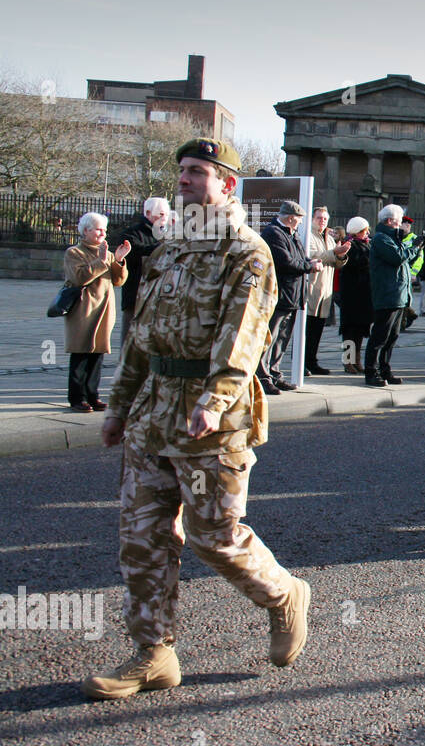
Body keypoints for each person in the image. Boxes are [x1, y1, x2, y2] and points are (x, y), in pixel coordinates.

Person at [85, 137, 309, 700]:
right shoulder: (170, 246)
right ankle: (154, 652)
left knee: (214, 536)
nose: (183, 180)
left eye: (197, 172)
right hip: (152, 413)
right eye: (181, 170)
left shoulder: (247, 252)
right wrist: (119, 406)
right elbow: (141, 336)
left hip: (213, 420)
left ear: (226, 184)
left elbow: (243, 339)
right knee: (142, 536)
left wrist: (212, 402)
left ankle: (283, 595)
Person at [64, 212, 129, 411]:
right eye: (98, 229)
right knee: (81, 354)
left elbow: (119, 281)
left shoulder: (107, 253)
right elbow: (79, 278)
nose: (103, 233)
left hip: (104, 311)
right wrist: (101, 262)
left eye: (105, 230)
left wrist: (118, 260)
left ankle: (93, 395)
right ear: (86, 231)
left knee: (97, 355)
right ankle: (77, 398)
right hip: (83, 311)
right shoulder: (74, 253)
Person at [257, 201, 319, 394]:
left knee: (282, 338)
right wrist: (310, 266)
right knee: (270, 338)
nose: (300, 223)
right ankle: (262, 377)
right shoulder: (273, 233)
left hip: (292, 295)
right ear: (291, 218)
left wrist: (311, 262)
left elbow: (301, 257)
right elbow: (286, 262)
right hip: (280, 294)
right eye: (299, 219)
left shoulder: (292, 234)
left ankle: (274, 374)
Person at [364, 204, 421, 386]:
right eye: (398, 222)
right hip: (388, 294)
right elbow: (397, 257)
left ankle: (385, 369)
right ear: (389, 221)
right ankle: (371, 372)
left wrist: (417, 247)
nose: (401, 226)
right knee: (380, 337)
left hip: (397, 295)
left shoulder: (392, 237)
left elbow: (405, 259)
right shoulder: (382, 238)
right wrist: (414, 245)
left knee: (392, 337)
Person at [116, 197, 170, 349]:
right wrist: (163, 246)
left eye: (166, 214)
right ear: (147, 213)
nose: (164, 218)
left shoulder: (167, 234)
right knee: (130, 341)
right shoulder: (131, 234)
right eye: (160, 214)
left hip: (161, 297)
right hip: (136, 295)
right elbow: (136, 253)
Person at [303, 207, 350, 375]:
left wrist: (341, 255)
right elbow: (310, 256)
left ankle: (312, 361)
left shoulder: (329, 238)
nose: (322, 221)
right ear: (313, 219)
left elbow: (336, 263)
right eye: (319, 218)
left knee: (318, 330)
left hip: (325, 289)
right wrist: (333, 253)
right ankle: (302, 363)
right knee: (307, 329)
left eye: (324, 218)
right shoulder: (307, 235)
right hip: (312, 288)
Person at [336, 217, 372, 374]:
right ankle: (348, 360)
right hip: (352, 293)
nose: (368, 233)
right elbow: (353, 263)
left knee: (359, 329)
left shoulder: (366, 244)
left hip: (363, 292)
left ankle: (356, 359)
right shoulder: (349, 244)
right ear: (357, 231)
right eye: (365, 230)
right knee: (350, 330)